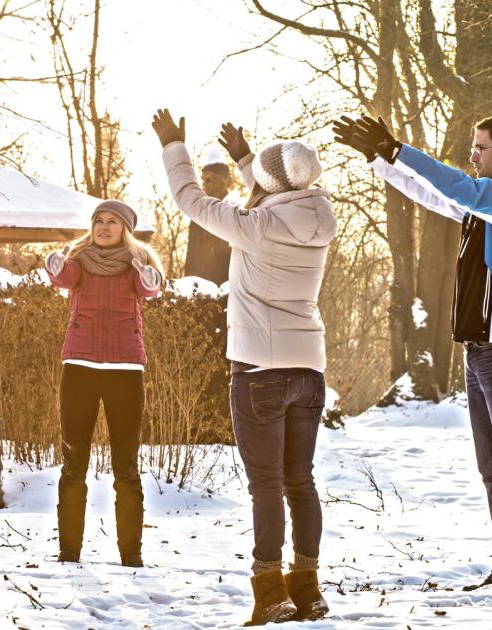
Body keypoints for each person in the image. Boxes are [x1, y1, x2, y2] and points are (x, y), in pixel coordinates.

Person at [332, 113, 492, 589]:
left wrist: (401, 151)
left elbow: (463, 189)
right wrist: (381, 160)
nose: (473, 156)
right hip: (477, 347)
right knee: (491, 464)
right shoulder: (487, 201)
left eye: (481, 148)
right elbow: (436, 195)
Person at [152, 109, 337, 624]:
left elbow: (191, 200)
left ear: (269, 183)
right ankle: (308, 589)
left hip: (259, 369)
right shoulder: (319, 218)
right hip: (309, 369)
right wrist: (245, 156)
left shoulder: (254, 226)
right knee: (300, 482)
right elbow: (283, 186)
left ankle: (269, 591)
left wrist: (174, 148)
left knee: (267, 487)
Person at [44, 200, 165, 568]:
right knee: (73, 464)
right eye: (98, 221)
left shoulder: (135, 267)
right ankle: (69, 553)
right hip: (79, 368)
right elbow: (62, 278)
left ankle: (131, 555)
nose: (104, 227)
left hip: (125, 372)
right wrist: (55, 265)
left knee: (126, 467)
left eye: (112, 222)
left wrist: (148, 276)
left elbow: (151, 289)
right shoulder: (79, 264)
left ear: (125, 229)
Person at [183, 148, 236, 284]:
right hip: (200, 288)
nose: (205, 184)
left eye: (209, 179)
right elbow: (191, 256)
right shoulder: (198, 214)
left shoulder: (234, 210)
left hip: (228, 286)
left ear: (224, 180)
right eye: (203, 179)